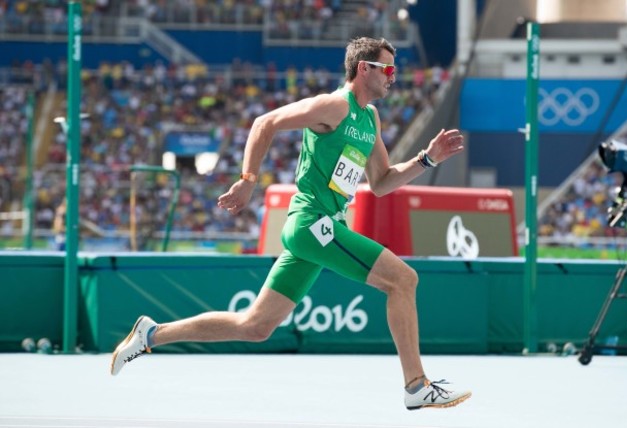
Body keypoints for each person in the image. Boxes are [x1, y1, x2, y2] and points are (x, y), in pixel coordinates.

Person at [110, 37, 470, 410]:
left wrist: (426, 159)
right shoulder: (332, 105)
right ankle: (416, 385)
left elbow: (381, 183)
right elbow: (265, 122)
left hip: (319, 230)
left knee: (255, 326)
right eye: (389, 69)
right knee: (403, 279)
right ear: (364, 69)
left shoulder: (370, 118)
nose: (394, 78)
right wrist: (248, 180)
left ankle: (151, 334)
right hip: (311, 224)